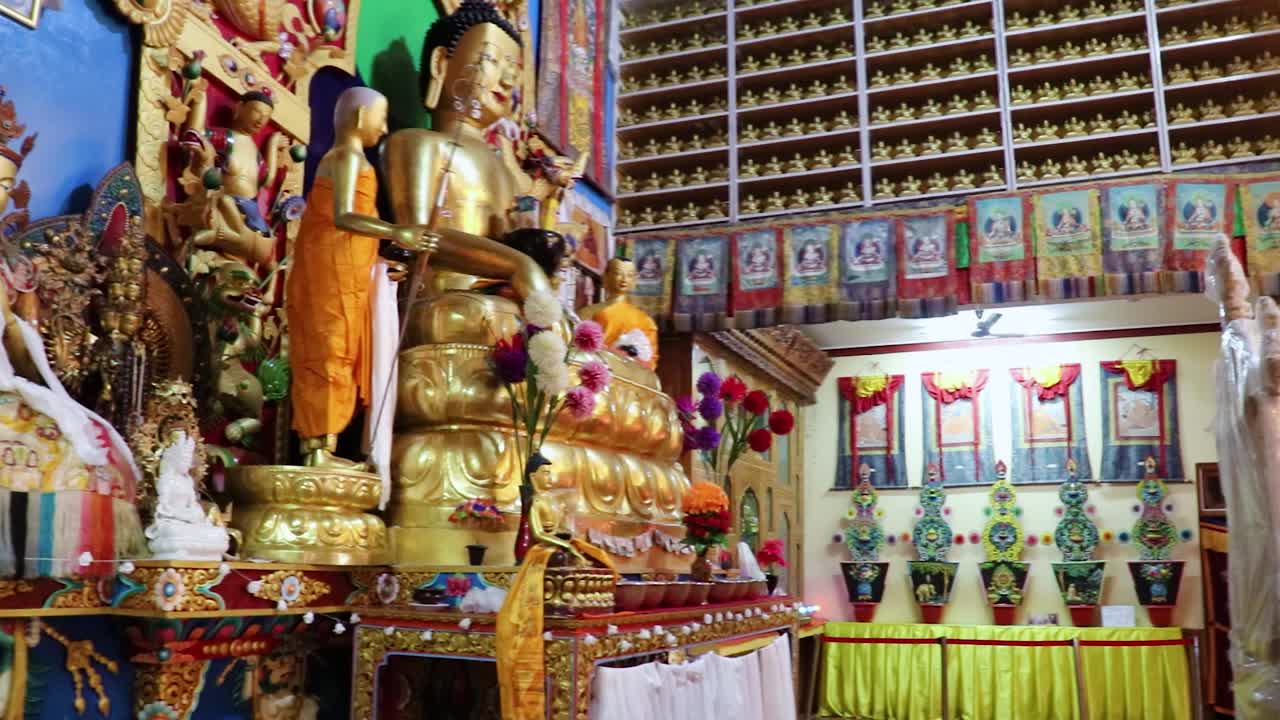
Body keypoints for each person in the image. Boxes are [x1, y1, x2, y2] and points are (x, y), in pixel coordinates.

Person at [286, 87, 433, 470]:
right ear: (357, 119)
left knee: (342, 351)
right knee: (328, 349)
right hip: (328, 269)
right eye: (380, 119)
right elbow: (343, 217)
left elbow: (353, 232)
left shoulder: (354, 159)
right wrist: (396, 232)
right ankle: (317, 449)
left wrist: (383, 263)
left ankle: (325, 446)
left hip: (344, 269)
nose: (384, 129)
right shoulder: (346, 158)